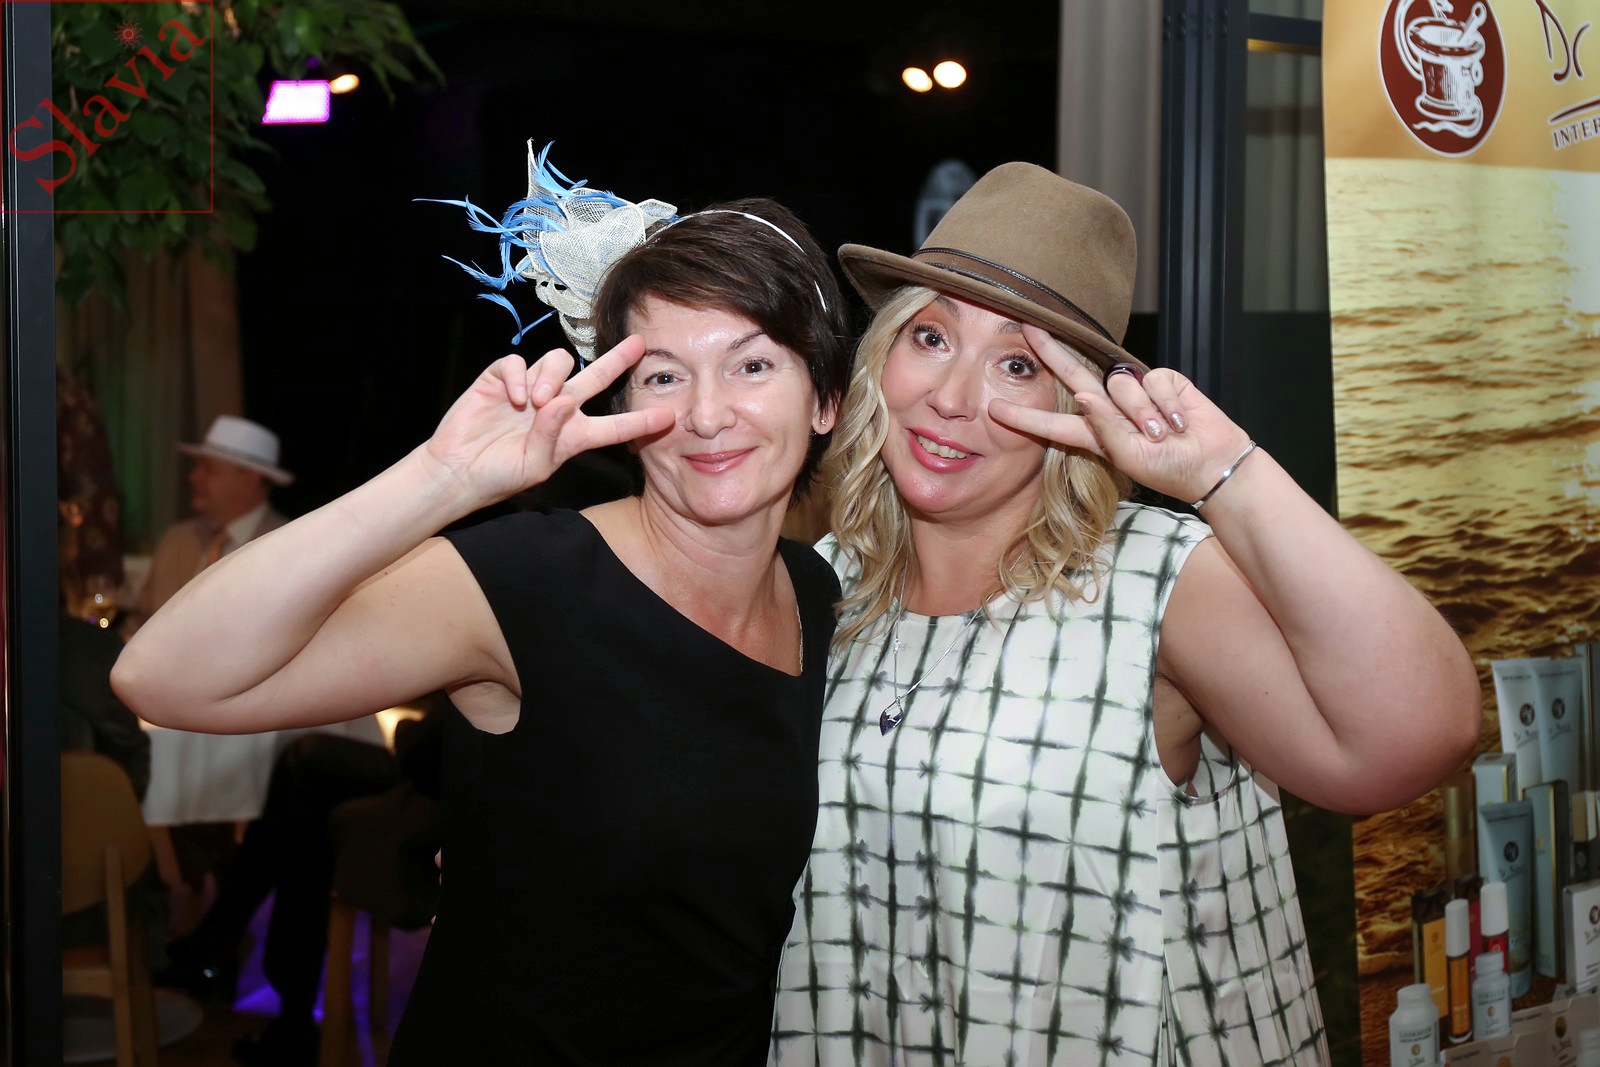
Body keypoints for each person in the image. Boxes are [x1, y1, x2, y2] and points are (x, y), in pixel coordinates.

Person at [113, 150, 852, 1065]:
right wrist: (442, 477)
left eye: (752, 365)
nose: (707, 414)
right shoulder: (532, 581)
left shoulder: (822, 598)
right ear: (620, 399)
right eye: (664, 376)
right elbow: (164, 675)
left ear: (825, 398)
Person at [768, 163, 1481, 1066]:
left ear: (1081, 405)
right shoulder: (825, 582)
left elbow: (1423, 734)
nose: (951, 397)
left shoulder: (1152, 581)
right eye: (932, 336)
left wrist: (1226, 474)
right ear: (883, 354)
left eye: (1018, 364)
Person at [159, 703, 444, 1067]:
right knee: (305, 811)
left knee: (305, 775)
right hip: (437, 784)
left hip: (438, 801)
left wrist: (405, 729)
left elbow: (427, 749)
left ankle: (222, 943)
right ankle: (283, 1009)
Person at [125, 413, 294, 635]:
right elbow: (137, 625)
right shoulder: (177, 540)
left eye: (209, 469)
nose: (194, 477)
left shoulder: (288, 548)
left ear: (251, 479)